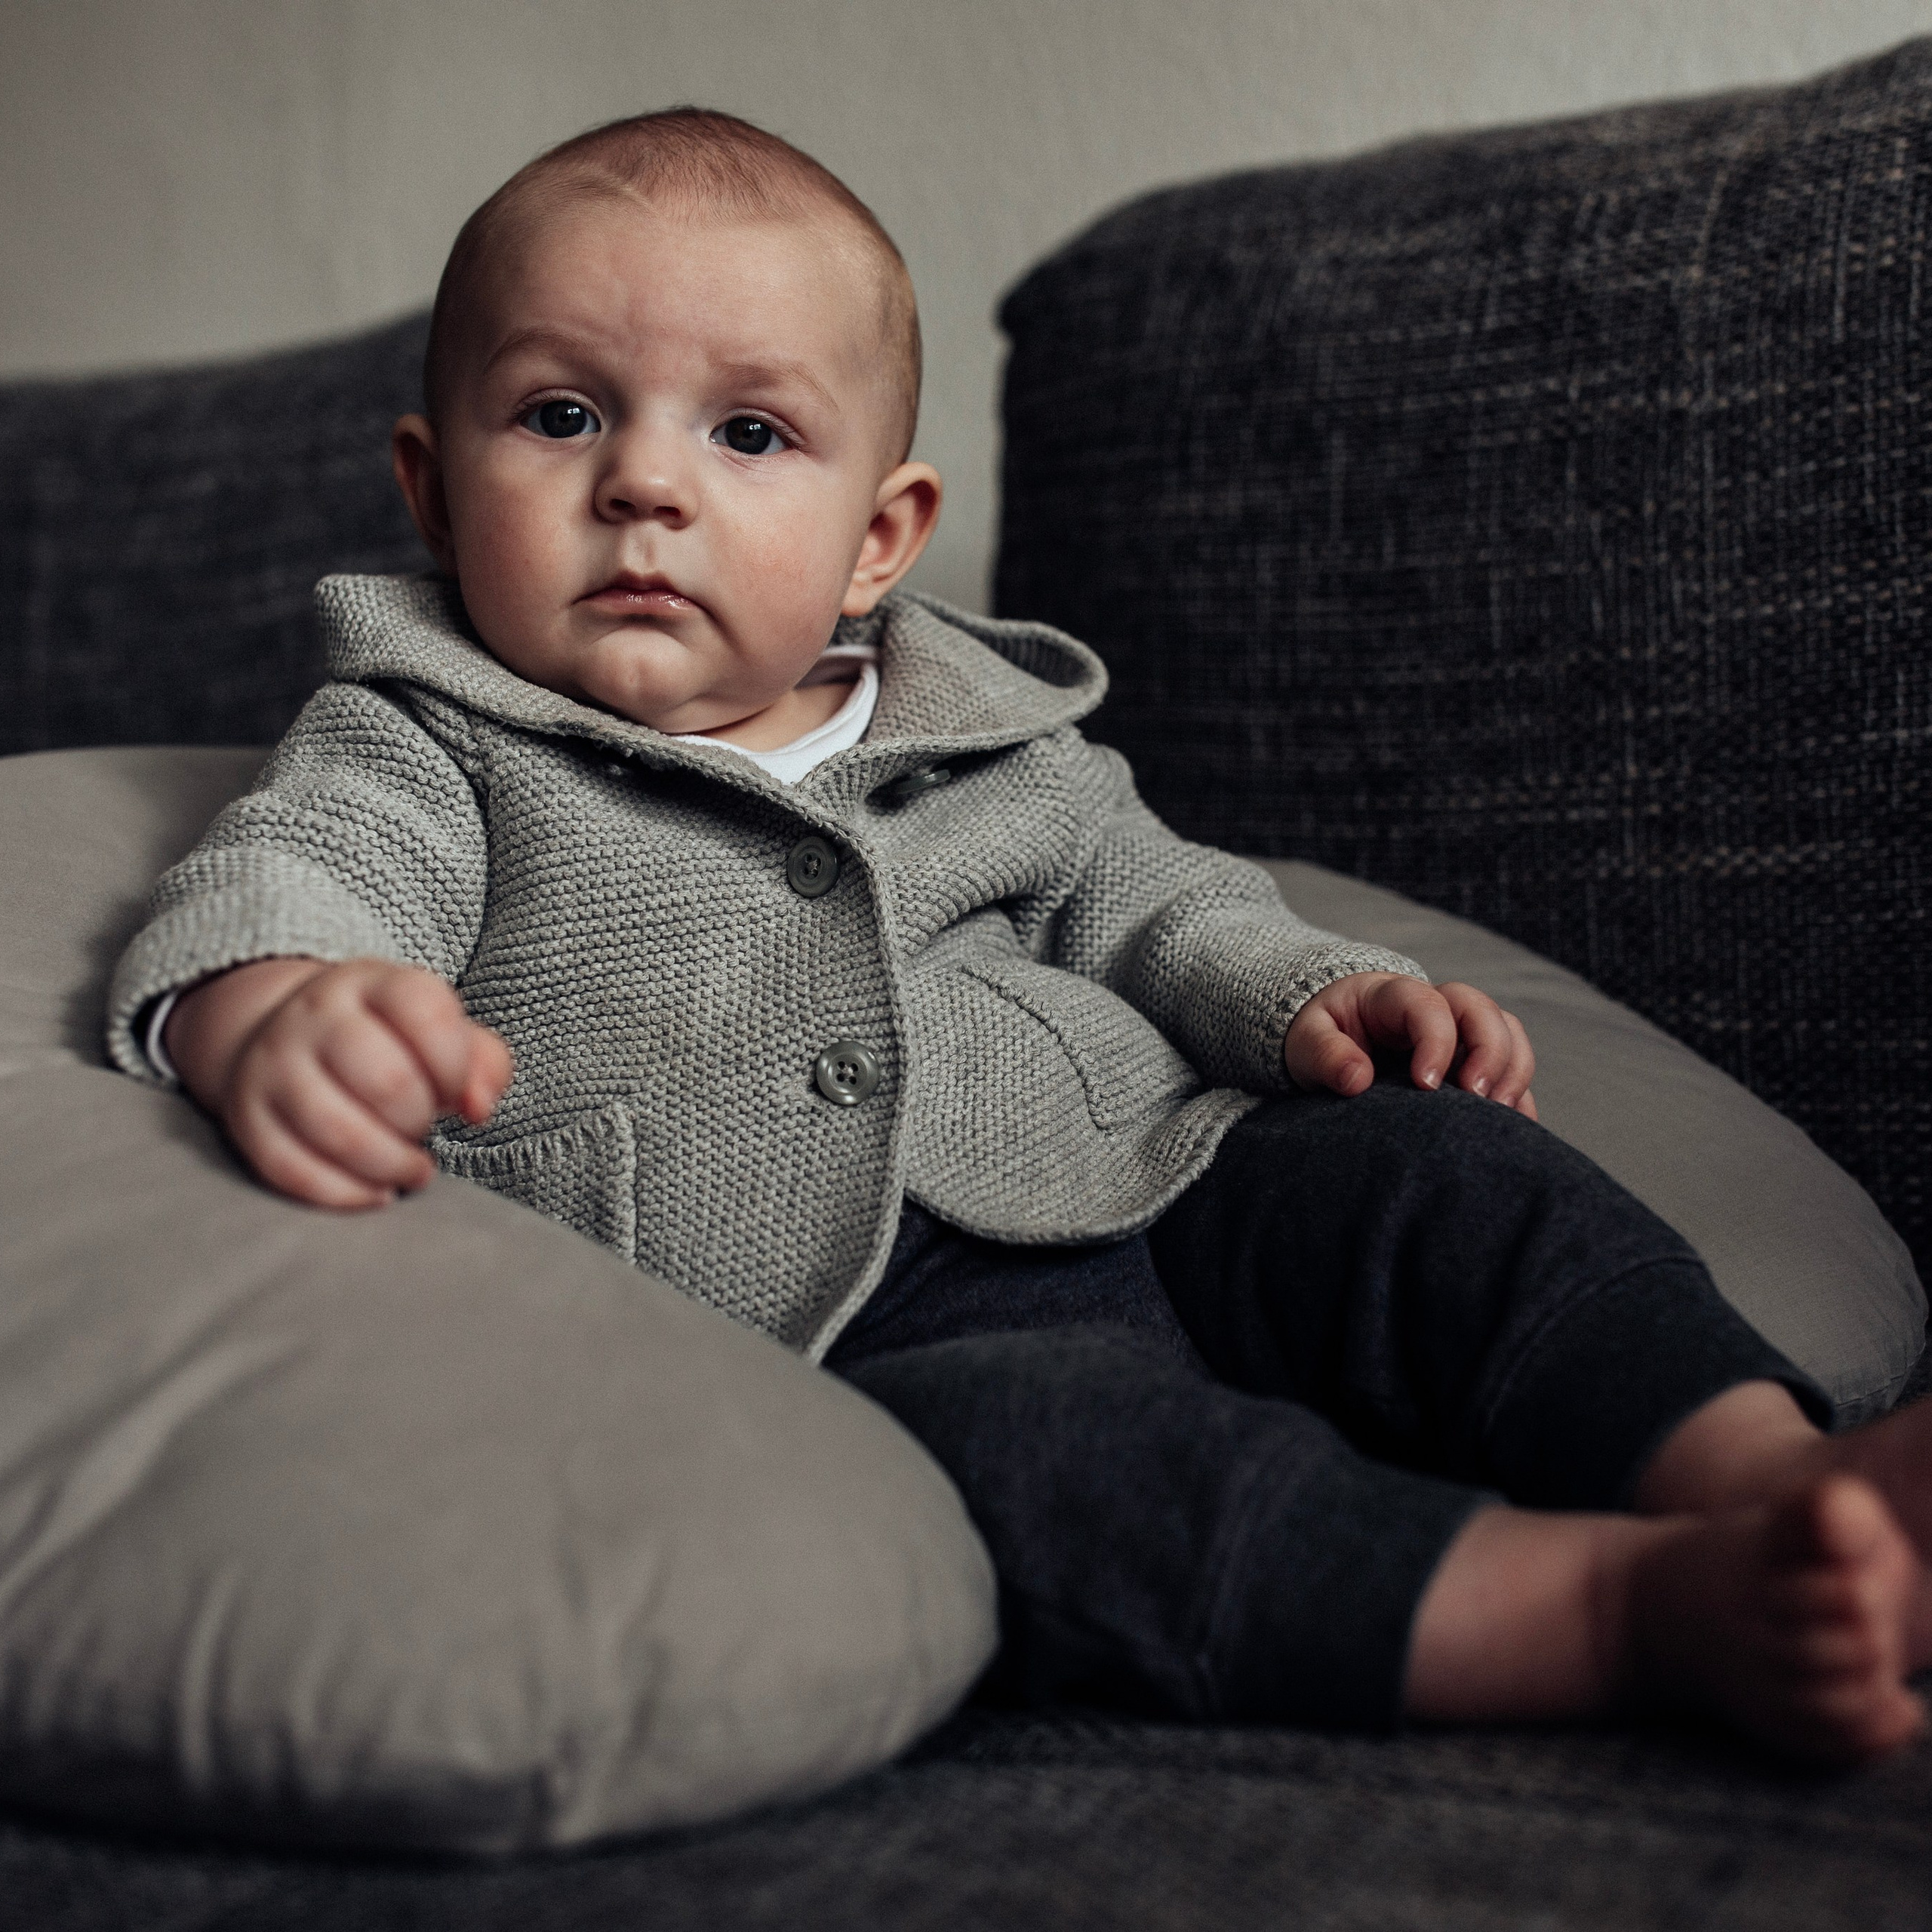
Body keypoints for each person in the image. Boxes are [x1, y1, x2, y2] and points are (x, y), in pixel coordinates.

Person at [108, 109, 1932, 1764]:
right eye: (561, 415)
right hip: (837, 1329)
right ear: (433, 489)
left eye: (748, 433)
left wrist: (1310, 996)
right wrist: (278, 1006)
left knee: (1438, 1173)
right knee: (1044, 1473)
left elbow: (1154, 898)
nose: (644, 484)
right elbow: (302, 869)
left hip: (1162, 1175)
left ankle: (1766, 1474)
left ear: (876, 537)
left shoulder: (985, 731)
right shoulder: (429, 738)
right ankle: (1619, 1611)